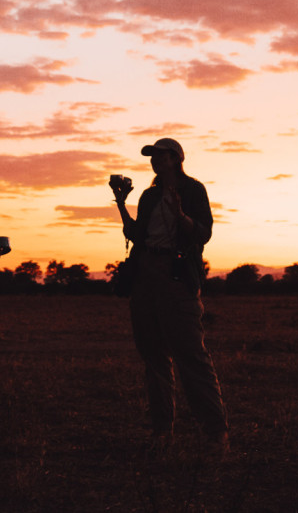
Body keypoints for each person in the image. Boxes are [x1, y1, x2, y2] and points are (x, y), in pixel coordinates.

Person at [112, 137, 228, 453]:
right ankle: (162, 432)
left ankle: (216, 433)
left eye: (162, 156)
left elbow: (203, 233)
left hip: (177, 276)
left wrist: (181, 215)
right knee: (154, 357)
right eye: (153, 157)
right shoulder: (148, 197)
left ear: (177, 159)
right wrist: (121, 204)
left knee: (191, 356)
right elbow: (136, 235)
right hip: (146, 273)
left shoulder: (193, 191)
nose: (156, 161)